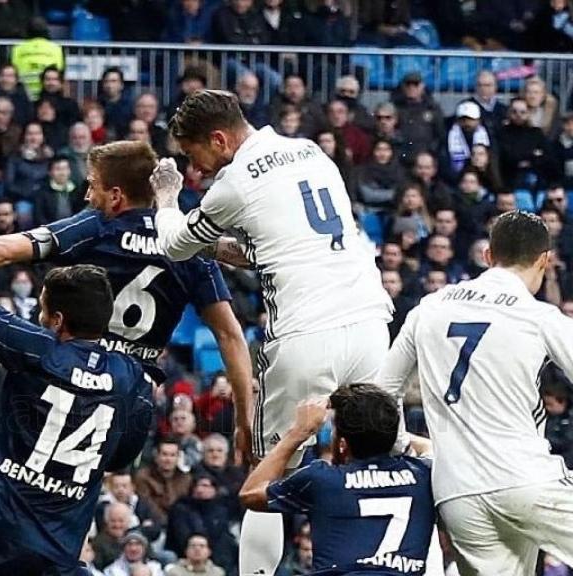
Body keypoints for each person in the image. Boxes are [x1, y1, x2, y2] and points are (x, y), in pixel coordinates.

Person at [0, 139, 254, 465]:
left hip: (71, 390)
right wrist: (244, 416)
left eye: (93, 184)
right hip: (132, 406)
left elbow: (3, 249)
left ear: (115, 196)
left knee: (18, 468)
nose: (87, 193)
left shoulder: (96, 226)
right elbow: (230, 337)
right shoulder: (189, 246)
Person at [156, 89, 395, 576]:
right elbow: (276, 247)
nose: (194, 169)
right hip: (371, 324)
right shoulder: (313, 152)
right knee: (384, 464)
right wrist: (218, 248)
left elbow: (176, 246)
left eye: (193, 155)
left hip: (306, 335)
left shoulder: (236, 183)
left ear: (219, 139)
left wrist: (166, 195)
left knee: (269, 472)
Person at [0, 131, 153, 575]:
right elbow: (117, 458)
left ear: (57, 320)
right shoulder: (130, 376)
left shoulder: (39, 351)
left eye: (41, 310)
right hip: (56, 554)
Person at [379, 210, 573, 573]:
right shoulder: (538, 317)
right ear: (544, 260)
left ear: (488, 256)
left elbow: (382, 393)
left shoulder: (429, 307)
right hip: (526, 479)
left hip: (457, 494)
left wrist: (404, 445)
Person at [240, 384, 435, 575]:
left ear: (342, 444)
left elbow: (250, 493)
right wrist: (390, 434)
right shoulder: (424, 474)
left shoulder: (322, 480)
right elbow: (429, 448)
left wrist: (297, 433)